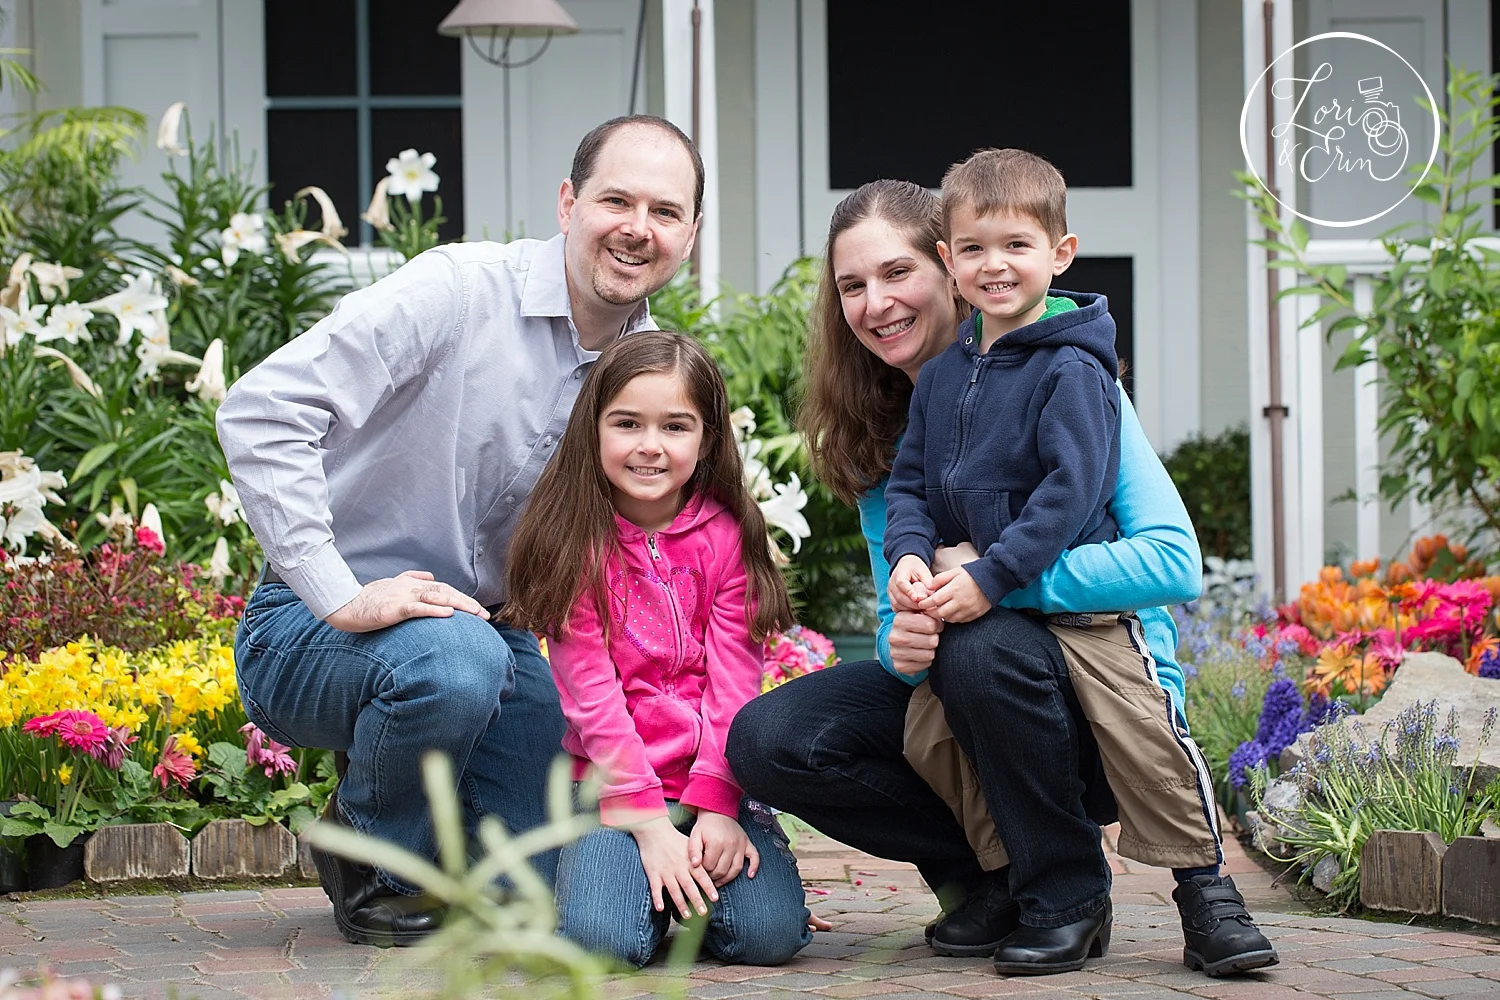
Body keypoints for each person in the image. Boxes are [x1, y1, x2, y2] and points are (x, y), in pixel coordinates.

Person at [726, 178, 1275, 977]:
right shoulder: (892, 431)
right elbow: (897, 622)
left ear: (945, 271)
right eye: (853, 285)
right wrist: (905, 636)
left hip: (1099, 698)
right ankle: (998, 878)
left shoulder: (1068, 381)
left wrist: (994, 580)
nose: (876, 303)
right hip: (970, 696)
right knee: (774, 739)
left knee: (981, 647)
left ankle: (1069, 888)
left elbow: (1169, 560)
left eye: (895, 274)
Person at [217, 115, 703, 947]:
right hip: (306, 629)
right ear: (566, 202)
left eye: (665, 211)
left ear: (690, 235)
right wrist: (343, 597)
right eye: (615, 200)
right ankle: (372, 854)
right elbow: (260, 411)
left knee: (536, 886)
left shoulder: (648, 368)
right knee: (454, 662)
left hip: (489, 638)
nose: (637, 228)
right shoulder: (458, 290)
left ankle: (434, 829)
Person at [883, 149, 1276, 976]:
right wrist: (909, 557)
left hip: (1088, 617)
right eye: (976, 249)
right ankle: (1033, 885)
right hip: (991, 618)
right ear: (949, 264)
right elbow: (911, 485)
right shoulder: (942, 381)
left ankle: (1207, 897)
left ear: (1059, 254)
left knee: (1147, 737)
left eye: (1017, 245)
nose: (996, 266)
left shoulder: (1075, 371)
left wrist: (991, 575)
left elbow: (1068, 497)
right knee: (933, 735)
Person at [503, 332, 812, 968]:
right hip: (613, 793)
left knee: (768, 940)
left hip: (714, 785)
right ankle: (641, 886)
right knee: (602, 948)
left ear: (706, 438)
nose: (650, 445)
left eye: (676, 425)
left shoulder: (729, 537)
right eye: (627, 423)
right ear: (594, 430)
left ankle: (708, 884)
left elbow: (734, 684)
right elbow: (592, 698)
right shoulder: (573, 543)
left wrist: (721, 803)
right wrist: (646, 824)